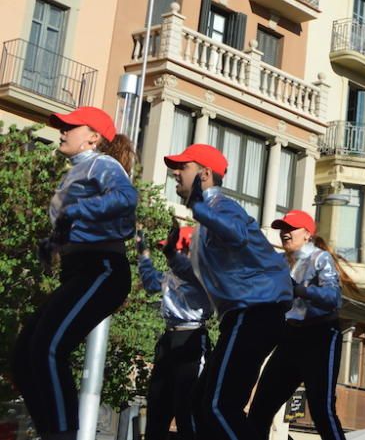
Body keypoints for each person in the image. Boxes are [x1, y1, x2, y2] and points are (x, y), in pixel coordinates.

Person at [12, 107, 137, 440]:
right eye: (61, 126)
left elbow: (126, 199)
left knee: (48, 348)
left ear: (93, 137)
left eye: (70, 126)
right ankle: (52, 432)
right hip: (79, 270)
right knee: (23, 356)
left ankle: (64, 434)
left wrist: (77, 213)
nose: (62, 131)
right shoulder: (75, 172)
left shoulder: (103, 164)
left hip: (103, 269)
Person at [164, 143, 293, 440]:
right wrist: (173, 256)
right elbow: (200, 283)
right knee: (199, 405)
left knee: (217, 406)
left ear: (204, 174)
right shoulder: (204, 227)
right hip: (243, 318)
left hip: (254, 314)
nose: (175, 172)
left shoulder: (220, 206)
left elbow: (235, 234)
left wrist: (197, 207)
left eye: (183, 167)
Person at [248, 210, 359, 440]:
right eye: (282, 228)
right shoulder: (279, 262)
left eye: (291, 228)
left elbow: (333, 298)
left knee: (322, 411)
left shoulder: (320, 258)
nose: (285, 233)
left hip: (321, 335)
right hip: (290, 336)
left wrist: (300, 289)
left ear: (307, 234)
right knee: (259, 410)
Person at [136, 225, 212, 440]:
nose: (171, 256)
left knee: (188, 410)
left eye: (175, 250)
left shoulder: (200, 275)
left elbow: (184, 270)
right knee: (157, 409)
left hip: (192, 341)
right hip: (169, 340)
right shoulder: (170, 276)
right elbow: (151, 282)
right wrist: (143, 253)